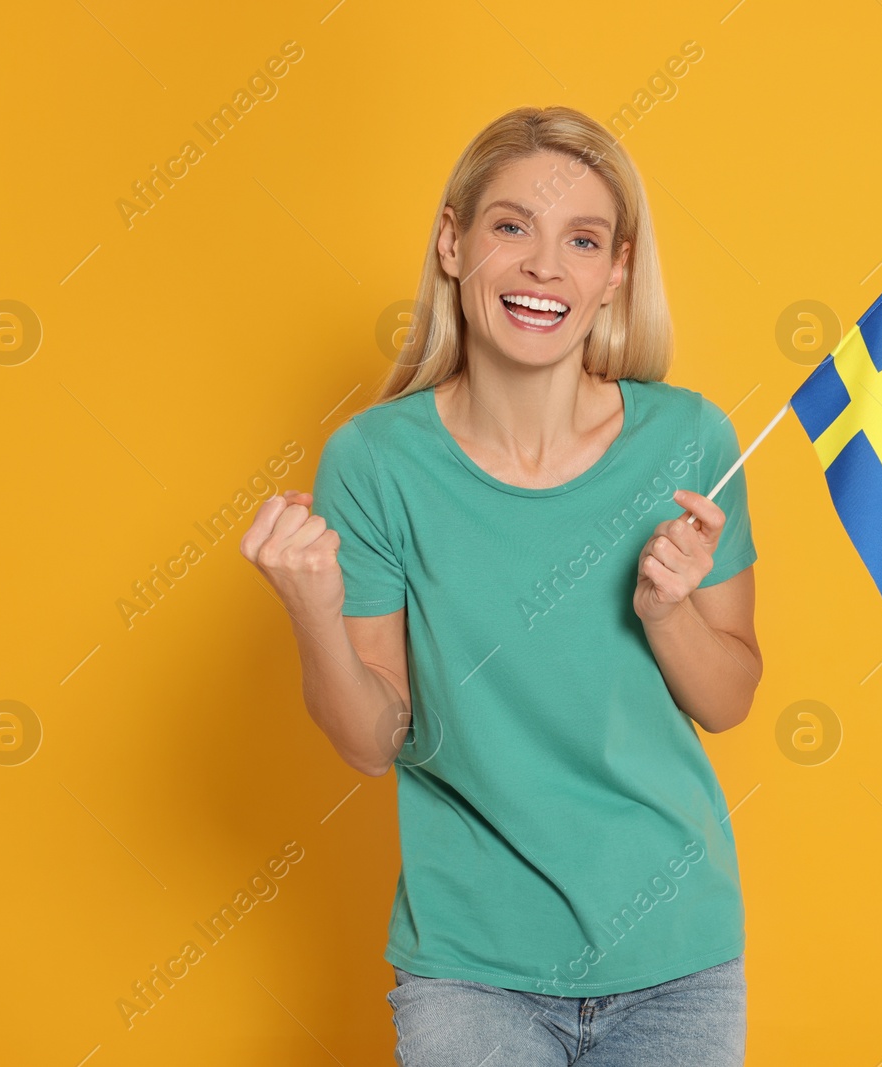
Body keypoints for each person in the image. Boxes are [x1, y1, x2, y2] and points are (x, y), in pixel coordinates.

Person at [241, 104, 762, 1066]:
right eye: (511, 226)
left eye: (583, 239)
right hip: (472, 971)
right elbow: (369, 741)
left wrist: (668, 613)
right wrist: (314, 615)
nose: (543, 267)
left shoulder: (691, 442)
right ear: (453, 242)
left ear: (616, 272)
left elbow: (728, 700)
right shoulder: (375, 462)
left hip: (676, 960)